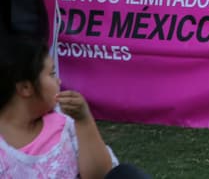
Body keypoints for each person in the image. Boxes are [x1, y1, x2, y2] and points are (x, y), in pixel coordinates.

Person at [0, 36, 143, 178]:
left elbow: (102, 175)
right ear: (25, 87)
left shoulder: (65, 123)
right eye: (51, 74)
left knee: (126, 173)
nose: (59, 80)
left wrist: (84, 121)